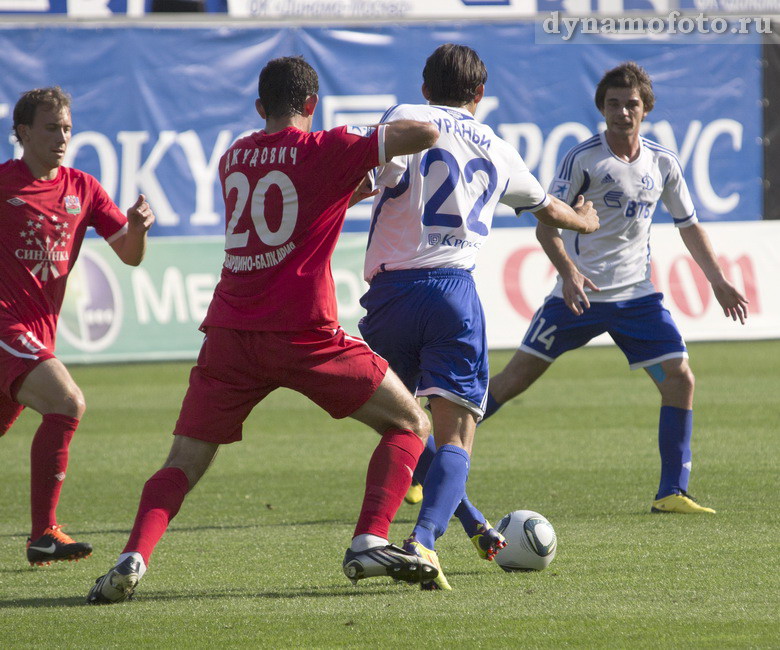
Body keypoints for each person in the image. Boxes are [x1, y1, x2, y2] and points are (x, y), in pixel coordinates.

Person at [86, 56, 441, 605]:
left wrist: (346, 189)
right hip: (305, 335)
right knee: (411, 422)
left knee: (181, 462)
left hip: (231, 332)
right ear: (312, 106)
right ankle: (370, 538)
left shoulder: (234, 157)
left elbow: (292, 203)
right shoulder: (326, 147)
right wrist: (373, 135)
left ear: (259, 107)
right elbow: (424, 132)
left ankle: (133, 555)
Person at [358, 44, 599, 590]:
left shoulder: (403, 118)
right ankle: (424, 539)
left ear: (425, 87)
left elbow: (363, 181)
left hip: (389, 294)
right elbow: (551, 210)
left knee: (404, 425)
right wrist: (583, 221)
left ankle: (458, 525)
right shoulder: (497, 147)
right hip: (452, 296)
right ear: (480, 95)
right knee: (456, 437)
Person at [483, 62, 748, 514]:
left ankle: (672, 492)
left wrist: (718, 280)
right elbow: (547, 227)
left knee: (680, 379)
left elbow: (689, 225)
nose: (622, 112)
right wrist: (568, 272)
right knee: (509, 383)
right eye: (613, 104)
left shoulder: (663, 163)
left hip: (637, 299)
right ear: (601, 108)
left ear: (645, 110)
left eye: (631, 105)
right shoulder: (583, 159)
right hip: (577, 298)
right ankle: (425, 463)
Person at [0, 87, 155, 567]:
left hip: (38, 332)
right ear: (23, 132)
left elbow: (128, 255)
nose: (62, 136)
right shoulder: (4, 182)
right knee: (67, 403)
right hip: (6, 325)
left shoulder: (83, 188)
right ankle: (43, 533)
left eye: (67, 127)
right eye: (51, 127)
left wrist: (139, 229)